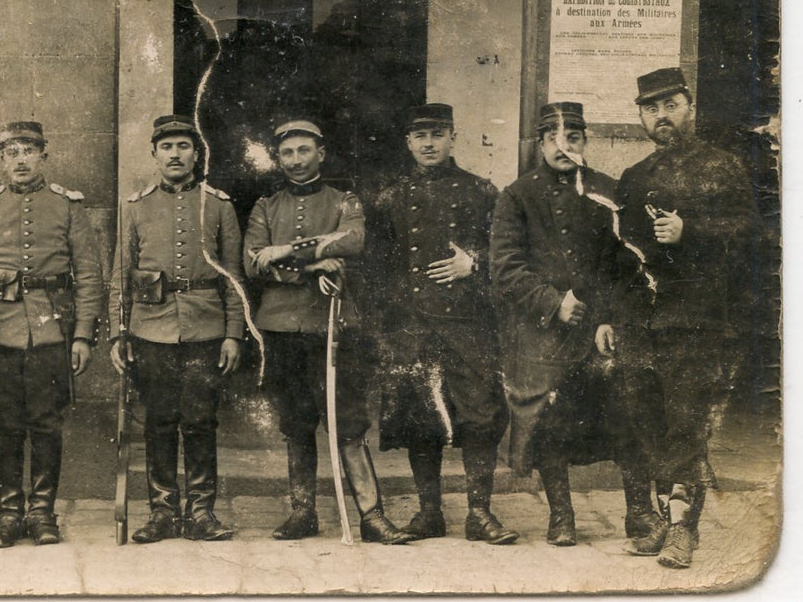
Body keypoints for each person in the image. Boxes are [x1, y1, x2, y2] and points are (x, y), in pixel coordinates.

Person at [489, 102, 655, 547]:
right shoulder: (516, 196)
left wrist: (608, 317)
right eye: (554, 139)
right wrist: (552, 302)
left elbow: (628, 265)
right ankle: (561, 516)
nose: (564, 147)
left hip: (600, 329)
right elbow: (505, 267)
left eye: (574, 138)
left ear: (585, 142)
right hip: (544, 331)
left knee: (627, 412)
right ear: (541, 144)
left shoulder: (607, 191)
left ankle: (639, 514)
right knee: (549, 421)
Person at [244, 119, 413, 545]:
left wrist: (286, 252)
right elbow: (251, 263)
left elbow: (354, 241)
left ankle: (372, 516)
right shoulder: (266, 206)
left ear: (321, 153)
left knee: (349, 423)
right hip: (282, 326)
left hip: (334, 324)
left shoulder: (346, 200)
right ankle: (303, 513)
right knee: (296, 423)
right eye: (287, 153)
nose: (296, 160)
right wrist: (317, 261)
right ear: (278, 158)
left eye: (304, 151)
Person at [614, 68, 756, 569]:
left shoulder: (722, 167)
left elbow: (752, 236)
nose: (661, 116)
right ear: (642, 118)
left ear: (689, 105)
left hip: (696, 319)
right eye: (651, 109)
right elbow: (622, 256)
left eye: (669, 105)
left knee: (686, 425)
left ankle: (683, 531)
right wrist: (611, 316)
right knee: (645, 421)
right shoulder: (634, 178)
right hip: (642, 322)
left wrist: (690, 229)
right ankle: (658, 522)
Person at [369, 104, 517, 545]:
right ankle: (429, 511)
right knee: (420, 419)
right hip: (412, 326)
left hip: (468, 326)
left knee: (480, 416)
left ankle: (479, 513)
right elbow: (376, 266)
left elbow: (510, 256)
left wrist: (474, 263)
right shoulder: (390, 195)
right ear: (408, 143)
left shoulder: (482, 192)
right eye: (420, 136)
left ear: (453, 137)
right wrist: (386, 325)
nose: (429, 144)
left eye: (437, 134)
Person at [0, 122, 103, 547]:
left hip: (52, 331)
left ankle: (42, 513)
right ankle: (9, 513)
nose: (20, 159)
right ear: (1, 159)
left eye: (29, 151)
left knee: (46, 423)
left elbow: (90, 275)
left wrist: (83, 335)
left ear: (44, 156)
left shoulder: (68, 206)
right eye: (12, 152)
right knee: (6, 424)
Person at [109, 114, 245, 543]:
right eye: (166, 147)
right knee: (159, 421)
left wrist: (233, 333)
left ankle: (202, 512)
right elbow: (121, 273)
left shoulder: (219, 204)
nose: (175, 154)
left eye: (183, 146)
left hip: (205, 329)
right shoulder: (135, 207)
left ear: (196, 153)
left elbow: (235, 277)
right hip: (151, 329)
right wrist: (119, 333)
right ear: (153, 155)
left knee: (201, 421)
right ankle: (163, 512)